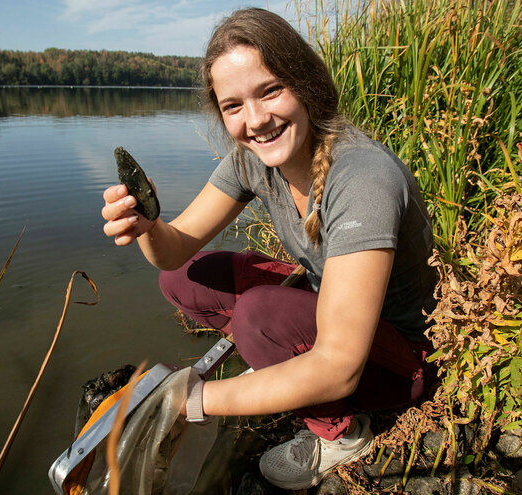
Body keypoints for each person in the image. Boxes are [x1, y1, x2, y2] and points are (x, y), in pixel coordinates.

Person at [101, 7, 438, 490]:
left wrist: (192, 399)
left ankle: (341, 435)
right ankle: (280, 359)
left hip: (403, 359)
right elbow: (174, 253)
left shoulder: (362, 176)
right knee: (183, 280)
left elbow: (340, 368)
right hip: (336, 310)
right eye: (233, 105)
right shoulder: (250, 161)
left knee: (259, 315)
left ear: (307, 84)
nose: (256, 120)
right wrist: (146, 225)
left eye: (271, 90)